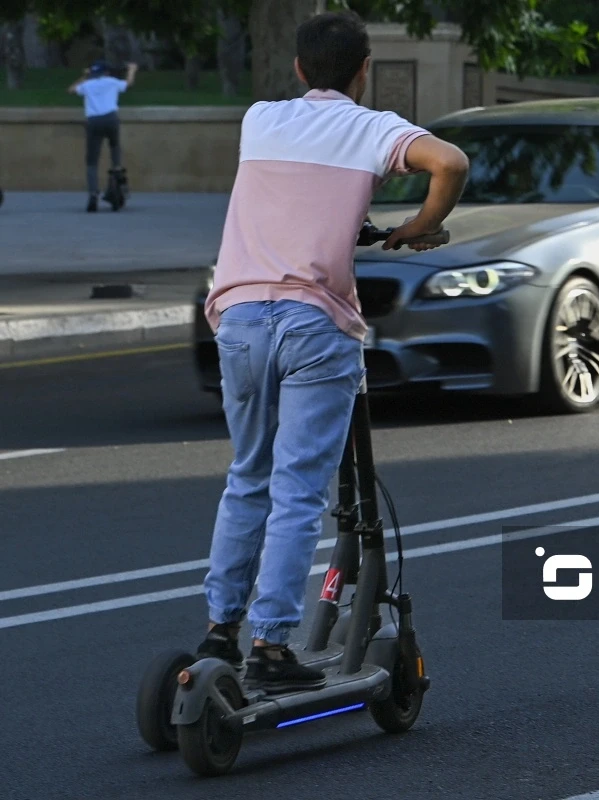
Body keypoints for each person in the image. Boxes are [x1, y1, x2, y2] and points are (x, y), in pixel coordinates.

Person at [196, 11, 469, 694]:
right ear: (363, 71)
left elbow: (297, 204)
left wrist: (358, 226)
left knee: (248, 476)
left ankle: (219, 631)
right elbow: (450, 163)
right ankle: (270, 644)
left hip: (237, 319)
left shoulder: (258, 120)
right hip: (314, 324)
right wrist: (415, 227)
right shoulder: (372, 127)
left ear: (297, 70)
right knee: (298, 492)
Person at [68, 61, 137, 212]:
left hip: (93, 121)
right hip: (111, 119)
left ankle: (93, 194)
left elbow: (71, 90)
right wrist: (132, 70)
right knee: (114, 146)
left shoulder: (88, 84)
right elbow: (128, 84)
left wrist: (84, 77)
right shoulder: (112, 82)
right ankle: (117, 173)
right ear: (106, 72)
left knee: (92, 161)